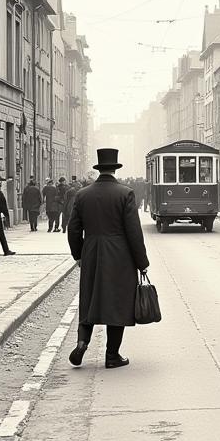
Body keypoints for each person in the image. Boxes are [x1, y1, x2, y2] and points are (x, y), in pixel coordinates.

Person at [67, 148, 150, 369]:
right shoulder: (125, 193)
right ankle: (112, 355)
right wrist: (142, 262)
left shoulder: (82, 195)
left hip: (91, 251)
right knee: (117, 303)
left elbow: (73, 229)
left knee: (89, 298)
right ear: (115, 169)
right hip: (119, 254)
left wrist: (79, 255)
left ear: (98, 169)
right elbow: (134, 232)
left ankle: (82, 343)